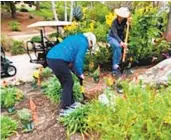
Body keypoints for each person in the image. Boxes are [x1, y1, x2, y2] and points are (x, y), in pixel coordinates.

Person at [46, 32, 96, 116]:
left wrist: (77, 73)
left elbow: (71, 60)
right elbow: (78, 60)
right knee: (68, 82)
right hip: (58, 60)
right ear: (90, 41)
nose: (88, 48)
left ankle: (71, 103)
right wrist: (80, 73)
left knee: (66, 83)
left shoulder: (76, 38)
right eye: (90, 47)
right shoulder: (83, 43)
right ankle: (64, 109)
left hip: (52, 58)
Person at [107, 7, 131, 76]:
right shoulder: (114, 23)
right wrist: (121, 42)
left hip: (120, 38)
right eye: (120, 16)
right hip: (112, 37)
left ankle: (123, 66)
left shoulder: (126, 21)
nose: (120, 18)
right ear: (118, 16)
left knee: (126, 49)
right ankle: (115, 68)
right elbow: (115, 34)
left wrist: (129, 23)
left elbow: (128, 30)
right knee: (118, 47)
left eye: (122, 17)